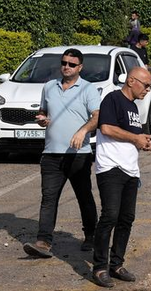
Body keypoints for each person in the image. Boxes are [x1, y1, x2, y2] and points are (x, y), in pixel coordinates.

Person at [23, 48, 101, 259]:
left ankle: (91, 236)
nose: (66, 67)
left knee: (84, 197)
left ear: (80, 67)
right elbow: (43, 112)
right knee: (49, 198)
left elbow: (97, 116)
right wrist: (41, 119)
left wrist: (83, 131)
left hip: (78, 154)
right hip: (51, 154)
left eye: (72, 64)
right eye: (64, 62)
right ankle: (43, 242)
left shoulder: (88, 89)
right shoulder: (49, 87)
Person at [91, 65, 151, 287]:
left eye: (150, 86)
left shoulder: (133, 107)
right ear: (131, 81)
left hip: (130, 169)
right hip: (111, 167)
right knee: (110, 215)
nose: (148, 89)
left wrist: (142, 140)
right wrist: (135, 138)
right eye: (146, 85)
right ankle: (99, 268)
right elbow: (107, 128)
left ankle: (116, 264)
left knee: (126, 218)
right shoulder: (113, 99)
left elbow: (129, 136)